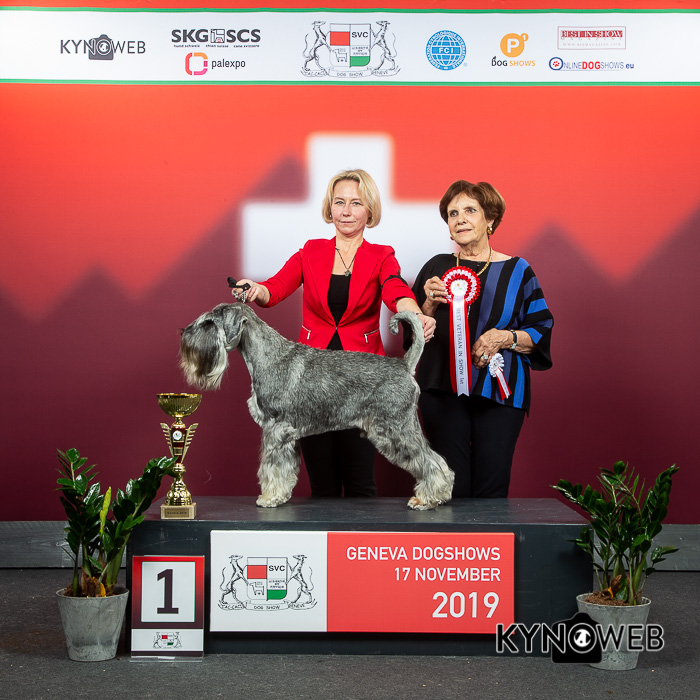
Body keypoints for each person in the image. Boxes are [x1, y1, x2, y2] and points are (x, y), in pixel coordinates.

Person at [234, 169, 436, 498]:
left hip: (363, 380)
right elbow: (276, 287)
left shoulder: (381, 255)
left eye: (356, 203)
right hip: (311, 380)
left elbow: (394, 288)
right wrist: (256, 289)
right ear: (329, 208)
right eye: (339, 202)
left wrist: (413, 312)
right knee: (322, 482)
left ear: (369, 210)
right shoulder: (311, 251)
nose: (346, 211)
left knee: (360, 481)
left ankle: (362, 533)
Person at [412, 180, 553, 498]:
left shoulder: (519, 271)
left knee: (493, 487)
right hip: (441, 390)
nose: (460, 219)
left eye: (470, 211)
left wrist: (503, 337)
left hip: (501, 390)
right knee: (450, 487)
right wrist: (428, 304)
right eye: (453, 213)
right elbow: (411, 335)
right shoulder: (436, 267)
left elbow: (541, 329)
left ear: (490, 219)